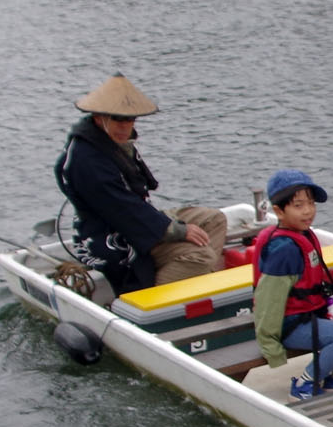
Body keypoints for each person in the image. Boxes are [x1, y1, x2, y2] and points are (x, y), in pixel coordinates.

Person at [54, 74, 226, 294]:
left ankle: (190, 276)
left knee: (214, 219)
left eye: (130, 119)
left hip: (137, 217)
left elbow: (136, 201)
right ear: (99, 117)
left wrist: (177, 229)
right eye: (118, 119)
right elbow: (123, 210)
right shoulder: (86, 161)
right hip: (109, 232)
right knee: (200, 255)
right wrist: (175, 230)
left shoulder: (115, 142)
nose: (125, 126)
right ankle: (154, 302)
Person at [251, 169, 333, 395]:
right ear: (278, 211)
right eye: (298, 206)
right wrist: (272, 349)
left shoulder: (302, 235)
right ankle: (305, 382)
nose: (308, 211)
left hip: (311, 314)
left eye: (311, 204)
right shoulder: (283, 250)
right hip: (291, 326)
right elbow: (268, 302)